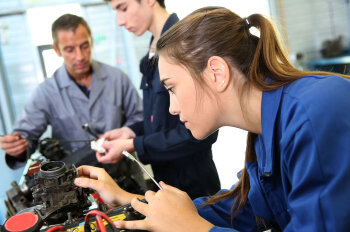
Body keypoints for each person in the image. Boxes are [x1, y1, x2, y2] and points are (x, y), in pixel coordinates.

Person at [74, 6, 350, 231]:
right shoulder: (266, 135)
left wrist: (196, 229)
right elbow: (241, 207)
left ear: (216, 73)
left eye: (172, 88)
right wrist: (129, 201)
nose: (171, 107)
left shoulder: (316, 112)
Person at [0, 14, 145, 192]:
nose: (80, 56)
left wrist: (124, 137)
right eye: (69, 49)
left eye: (85, 46)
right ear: (57, 50)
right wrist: (17, 147)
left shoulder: (117, 79)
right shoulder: (46, 92)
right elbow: (26, 136)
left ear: (91, 41)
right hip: (78, 187)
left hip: (126, 178)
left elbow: (140, 119)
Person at [99, 0, 220, 199]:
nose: (120, 21)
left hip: (195, 187)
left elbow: (200, 133)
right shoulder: (153, 50)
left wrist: (135, 145)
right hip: (166, 183)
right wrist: (130, 132)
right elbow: (159, 118)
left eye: (123, 8)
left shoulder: (184, 44)